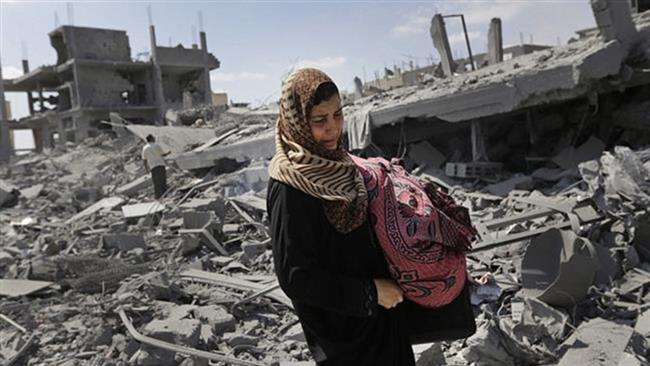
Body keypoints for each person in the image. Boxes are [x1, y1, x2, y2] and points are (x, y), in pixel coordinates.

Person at [267, 68, 415, 365]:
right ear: (296, 123)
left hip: (381, 321)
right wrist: (369, 293)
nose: (333, 128)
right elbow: (295, 276)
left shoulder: (339, 164)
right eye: (319, 120)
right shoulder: (291, 185)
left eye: (338, 115)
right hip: (346, 339)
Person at [141, 134, 169, 199]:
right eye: (153, 138)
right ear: (151, 139)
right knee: (163, 180)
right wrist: (168, 153)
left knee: (156, 182)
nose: (154, 138)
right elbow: (163, 154)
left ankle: (158, 196)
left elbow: (144, 160)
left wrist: (146, 169)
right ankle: (165, 195)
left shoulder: (144, 148)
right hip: (160, 164)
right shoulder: (157, 145)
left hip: (153, 166)